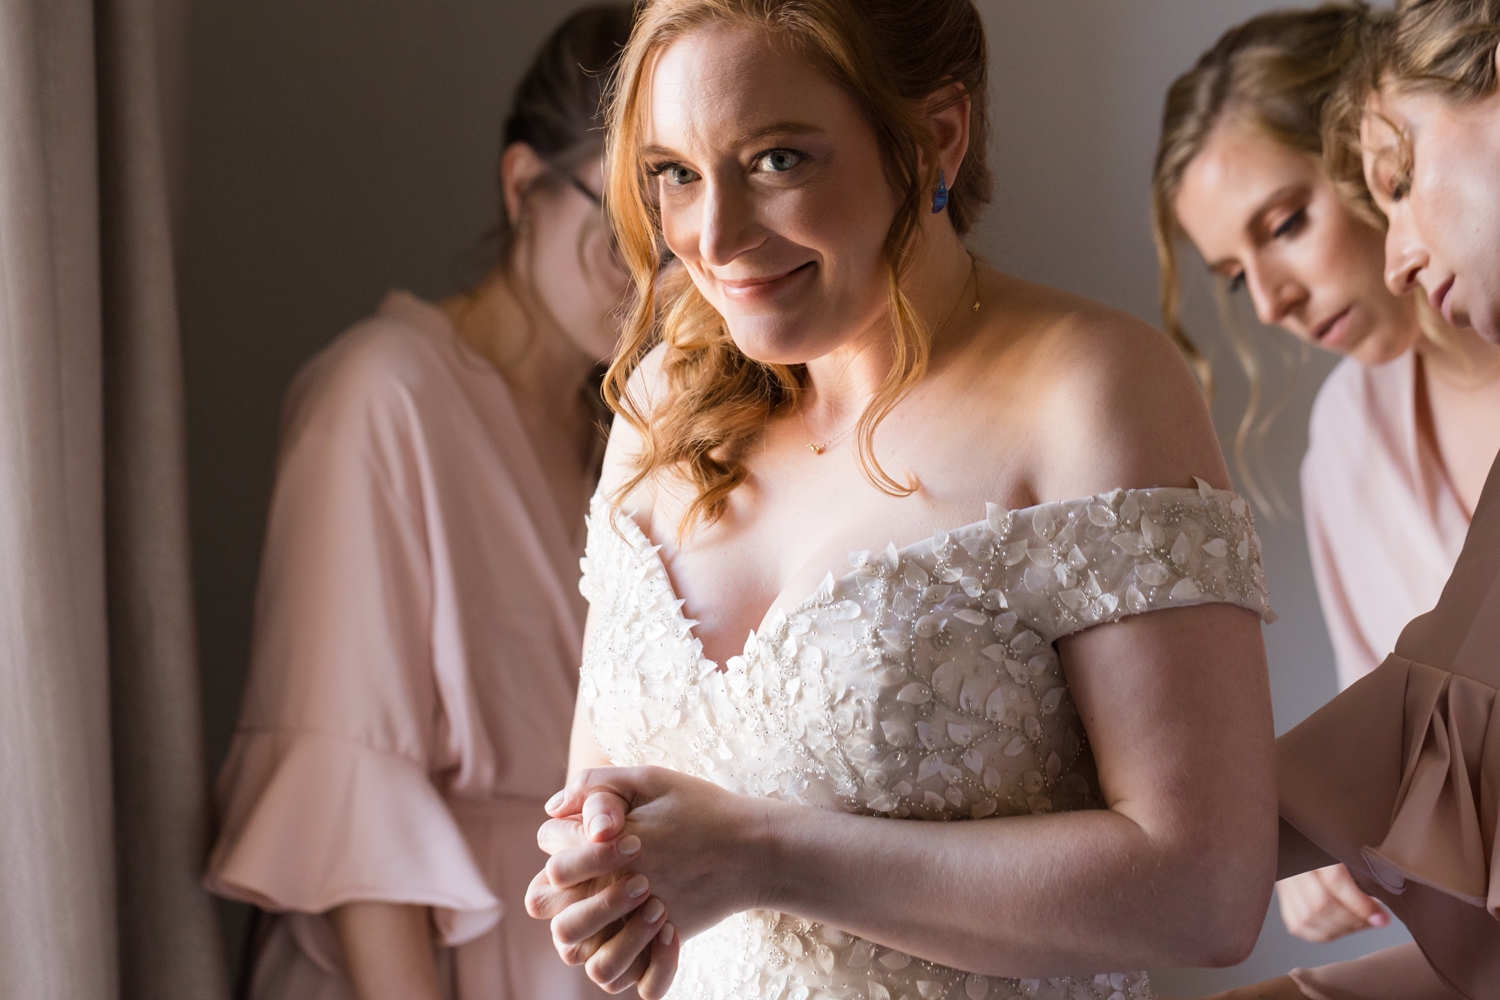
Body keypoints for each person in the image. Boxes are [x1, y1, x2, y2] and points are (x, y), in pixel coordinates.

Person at [524, 2, 1280, 998]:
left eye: (777, 161)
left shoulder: (1090, 391)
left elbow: (1207, 887)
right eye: (675, 173)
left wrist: (766, 855)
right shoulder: (660, 406)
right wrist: (603, 883)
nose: (714, 238)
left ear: (935, 137)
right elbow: (603, 807)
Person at [202, 7, 632, 999]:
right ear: (525, 184)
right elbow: (351, 797)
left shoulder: (627, 433)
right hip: (414, 964)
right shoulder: (379, 397)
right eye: (620, 235)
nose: (649, 282)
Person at [1153, 2, 1500, 949]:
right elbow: (1413, 774)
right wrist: (1323, 844)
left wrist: (1221, 831)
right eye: (1232, 274)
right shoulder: (1347, 440)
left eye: (1288, 223)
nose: (1270, 302)